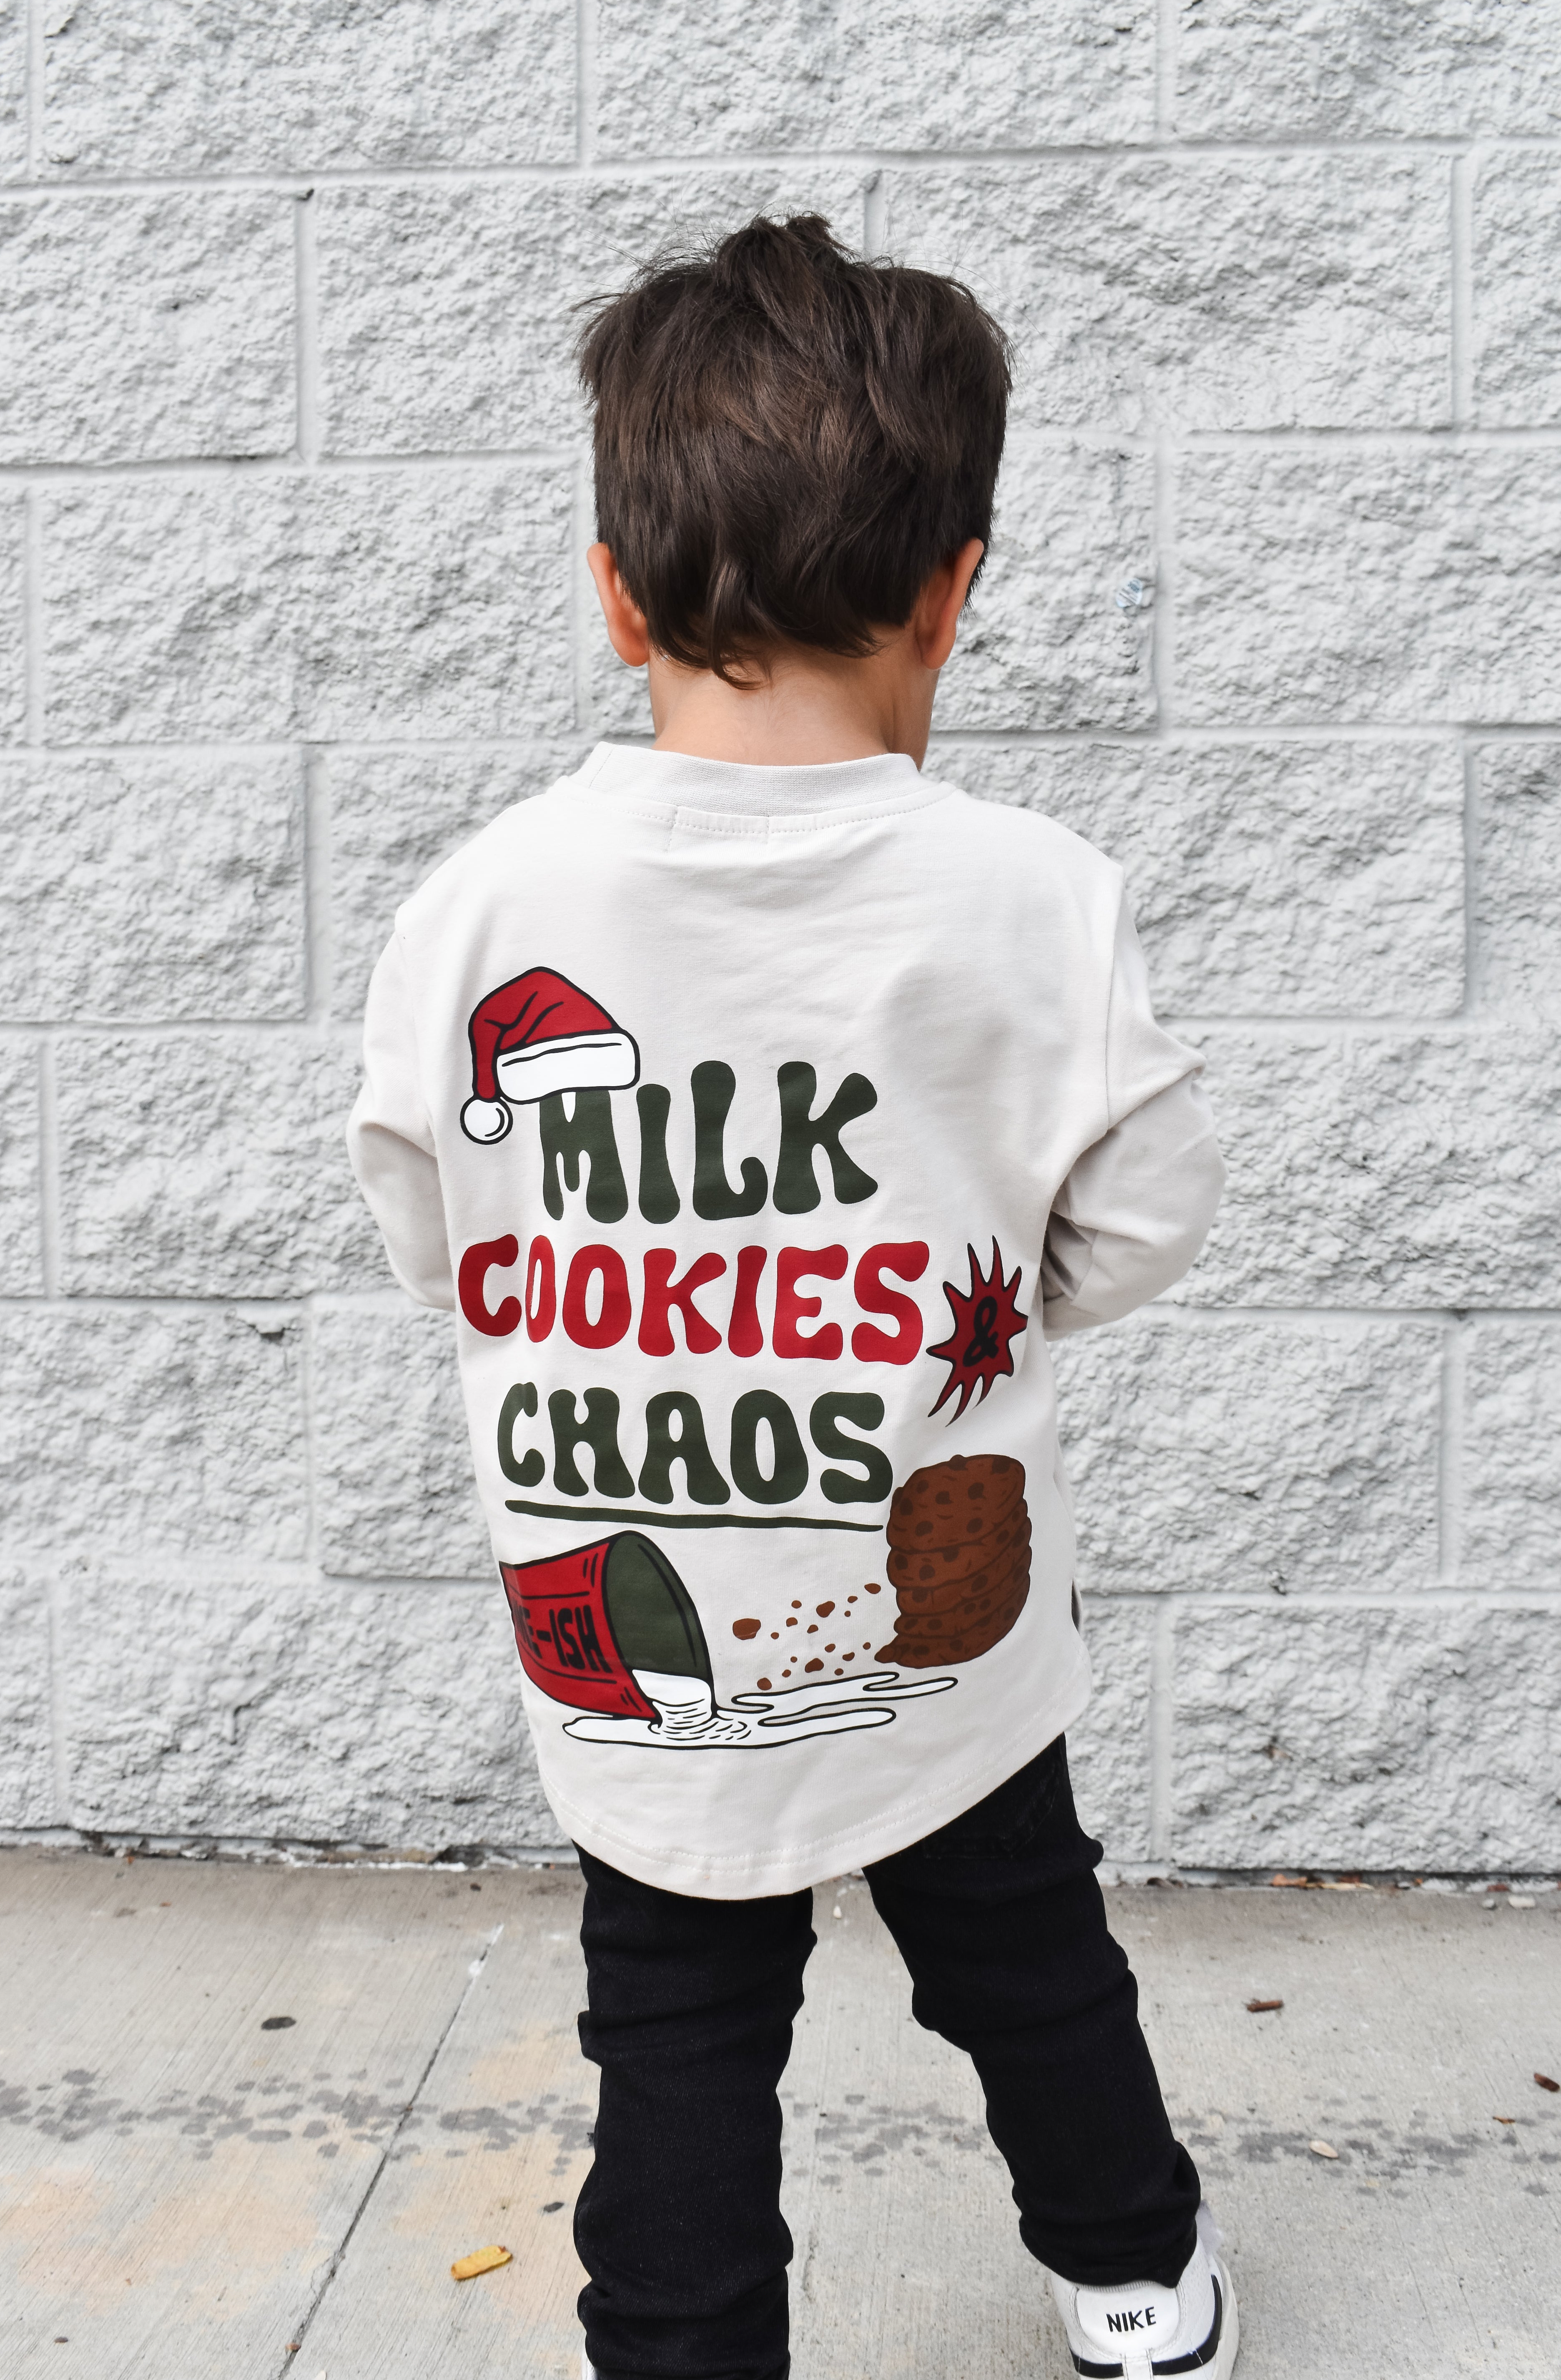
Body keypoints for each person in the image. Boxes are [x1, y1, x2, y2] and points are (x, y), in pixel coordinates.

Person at [348, 213, 1234, 2380]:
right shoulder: (1032, 897)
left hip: (633, 1637)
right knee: (1024, 1952)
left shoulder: (478, 908)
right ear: (955, 589)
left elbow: (428, 1221)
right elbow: (1136, 1219)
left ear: (614, 588)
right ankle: (1128, 2277)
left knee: (671, 2033)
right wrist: (968, 1297)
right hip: (937, 1634)